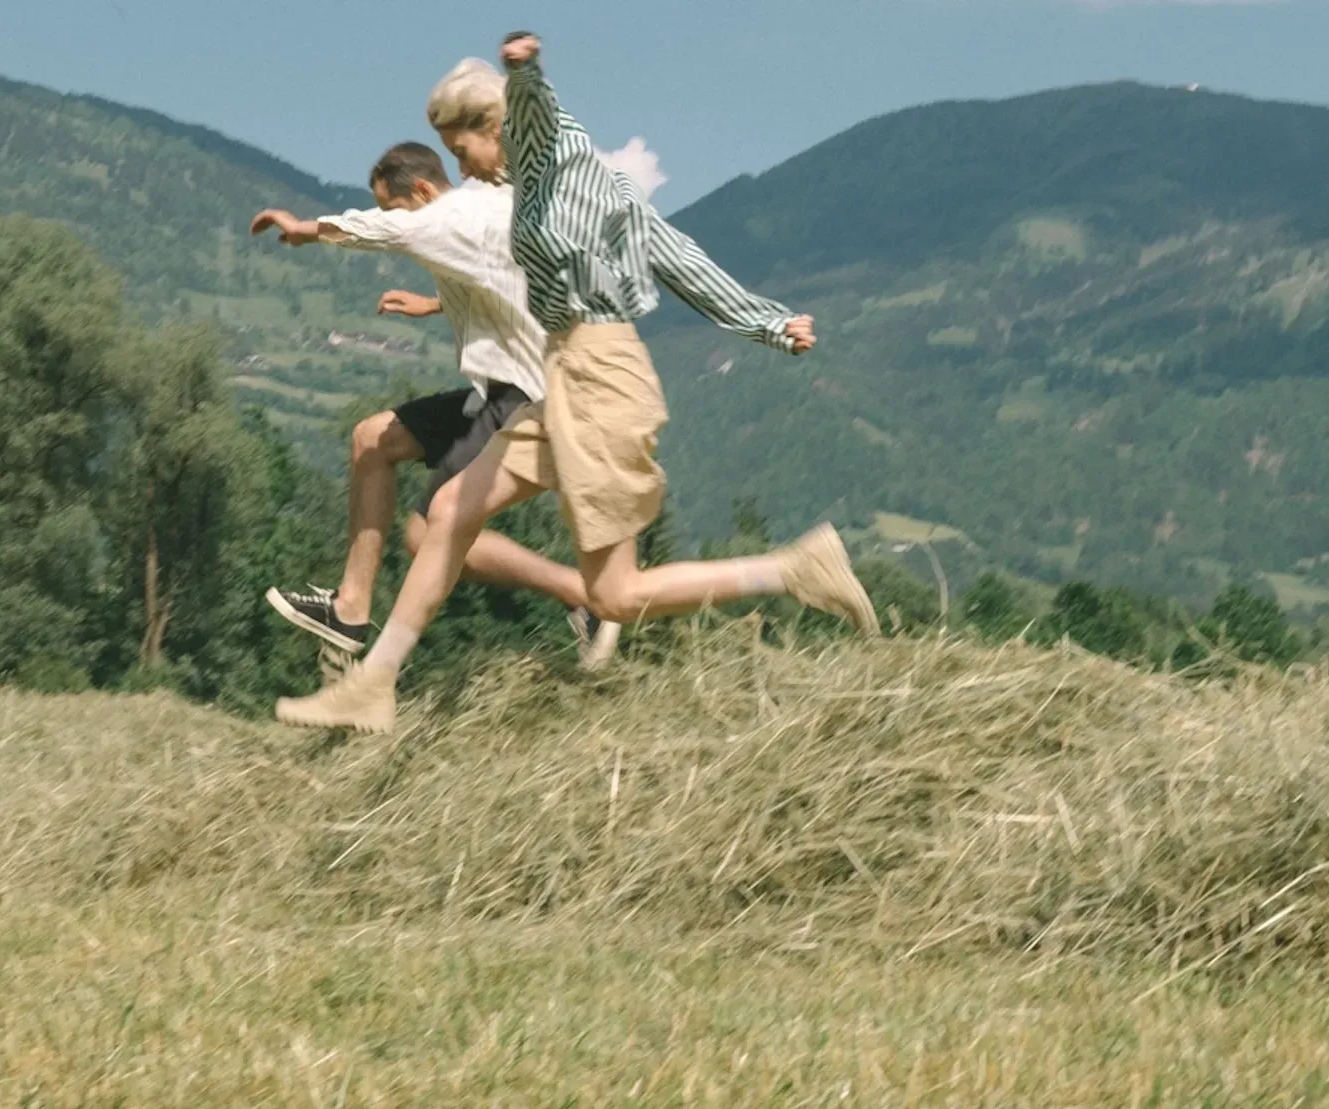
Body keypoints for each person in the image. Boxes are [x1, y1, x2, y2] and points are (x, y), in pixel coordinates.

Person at [273, 42, 876, 734]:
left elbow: (661, 246)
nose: (460, 168)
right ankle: (374, 685)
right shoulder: (532, 199)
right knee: (449, 512)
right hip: (561, 374)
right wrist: (768, 322)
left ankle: (792, 570)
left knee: (614, 595)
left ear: (497, 129)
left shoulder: (555, 176)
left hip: (601, 380)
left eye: (462, 150)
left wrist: (524, 75)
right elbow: (645, 257)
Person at [249, 141, 619, 667]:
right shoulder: (474, 213)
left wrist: (306, 229)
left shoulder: (447, 218)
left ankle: (585, 597)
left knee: (425, 537)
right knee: (371, 440)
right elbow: (494, 269)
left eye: (394, 208)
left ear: (423, 190)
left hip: (527, 398)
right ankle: (349, 610)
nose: (394, 220)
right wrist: (435, 303)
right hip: (495, 392)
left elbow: (381, 231)